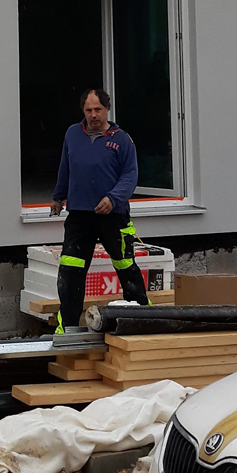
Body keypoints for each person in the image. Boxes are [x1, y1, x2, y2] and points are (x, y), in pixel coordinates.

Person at [49, 88, 149, 333]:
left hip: (113, 217)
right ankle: (67, 329)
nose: (93, 115)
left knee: (126, 267)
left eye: (98, 109)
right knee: (70, 271)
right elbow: (65, 167)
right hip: (79, 216)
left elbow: (130, 176)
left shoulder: (122, 140)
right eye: (88, 110)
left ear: (107, 109)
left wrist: (113, 199)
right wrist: (58, 197)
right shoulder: (73, 134)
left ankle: (143, 320)